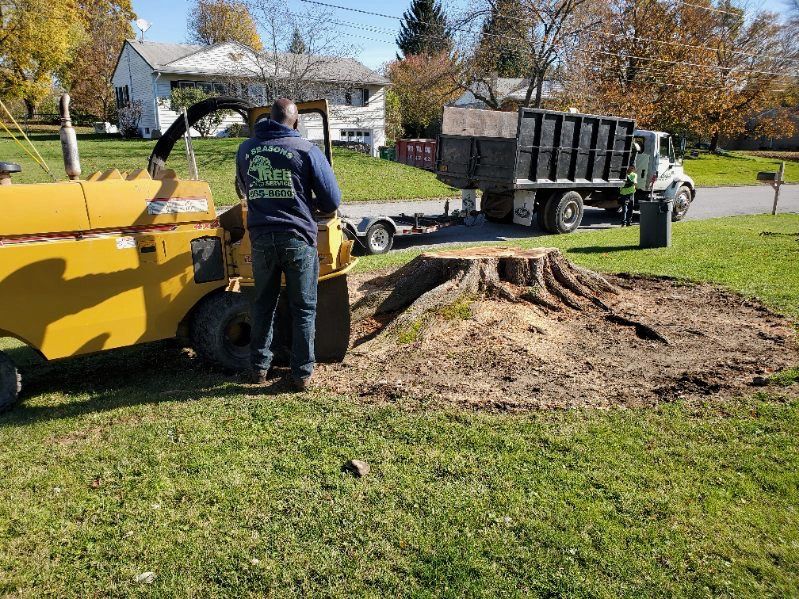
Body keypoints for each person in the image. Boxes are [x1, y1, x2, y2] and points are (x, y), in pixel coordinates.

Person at [236, 98, 342, 391]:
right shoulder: (306, 149)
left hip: (261, 240)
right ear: (295, 121)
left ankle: (258, 369)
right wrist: (310, 206)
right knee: (303, 308)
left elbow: (244, 187)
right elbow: (332, 200)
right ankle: (302, 374)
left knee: (263, 305)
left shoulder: (246, 149)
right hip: (297, 238)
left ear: (268, 119)